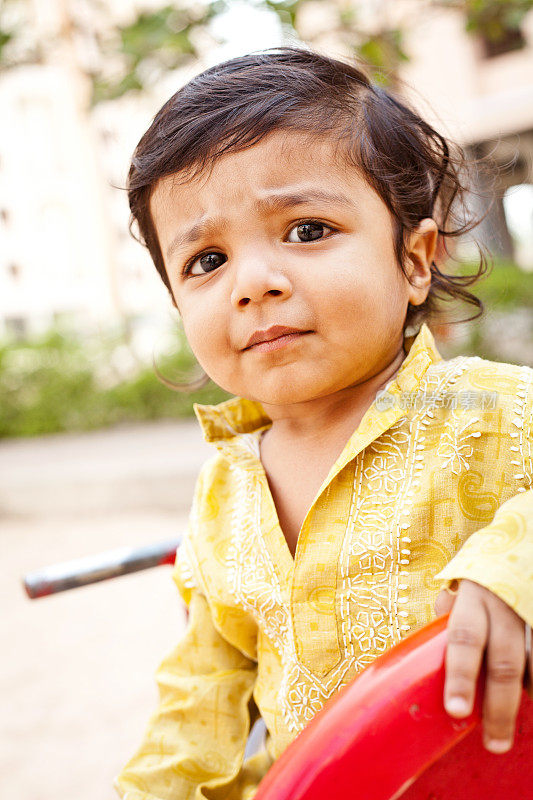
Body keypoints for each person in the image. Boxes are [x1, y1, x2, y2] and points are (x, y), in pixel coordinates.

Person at [114, 46, 533, 800]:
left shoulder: (491, 411)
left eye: (306, 230)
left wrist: (515, 570)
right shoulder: (224, 493)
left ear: (413, 261)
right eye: (206, 260)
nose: (254, 284)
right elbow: (199, 701)